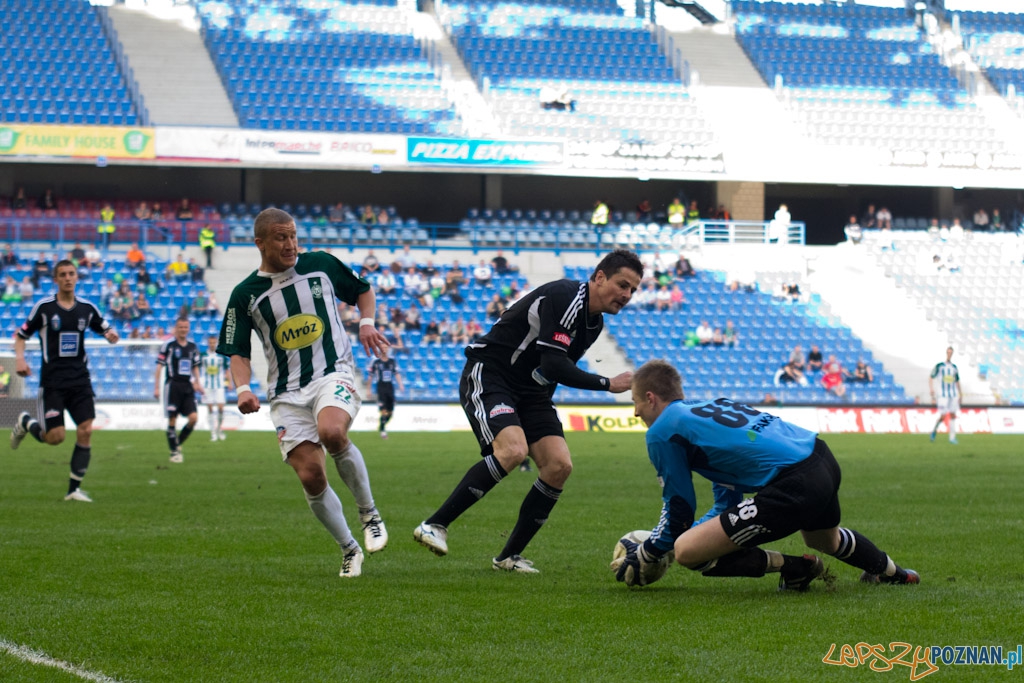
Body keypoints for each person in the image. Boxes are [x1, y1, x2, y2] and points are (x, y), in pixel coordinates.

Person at [413, 250, 643, 573]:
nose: (627, 295)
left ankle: (508, 557)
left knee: (559, 465)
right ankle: (434, 525)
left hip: (531, 391)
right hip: (492, 373)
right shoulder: (566, 296)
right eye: (623, 285)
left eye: (633, 290)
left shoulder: (595, 322)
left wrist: (540, 413)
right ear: (600, 277)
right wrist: (608, 383)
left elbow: (552, 368)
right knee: (513, 450)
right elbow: (553, 363)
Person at [613, 360, 919, 589]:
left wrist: (650, 550)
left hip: (794, 482)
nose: (636, 412)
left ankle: (797, 568)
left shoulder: (663, 430)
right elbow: (725, 503)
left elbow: (679, 509)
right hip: (821, 457)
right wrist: (692, 531)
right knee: (825, 540)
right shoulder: (705, 409)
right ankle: (894, 573)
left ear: (651, 398)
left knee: (686, 550)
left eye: (635, 402)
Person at [217, 207, 391, 578]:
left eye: (293, 235)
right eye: (281, 237)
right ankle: (349, 548)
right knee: (311, 474)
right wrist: (243, 388)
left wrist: (366, 323)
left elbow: (363, 290)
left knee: (332, 432)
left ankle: (369, 513)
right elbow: (237, 350)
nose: (291, 244)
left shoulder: (321, 265)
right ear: (260, 243)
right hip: (285, 393)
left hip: (333, 373)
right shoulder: (244, 295)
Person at [10, 260, 120, 502]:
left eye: (71, 274)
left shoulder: (88, 309)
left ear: (77, 277)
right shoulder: (44, 308)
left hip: (80, 380)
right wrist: (20, 358)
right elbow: (20, 336)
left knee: (86, 430)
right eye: (63, 275)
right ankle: (27, 422)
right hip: (53, 383)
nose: (68, 278)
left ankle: (73, 490)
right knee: (55, 437)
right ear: (56, 279)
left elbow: (106, 329)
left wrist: (112, 335)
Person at [155, 317, 203, 463]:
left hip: (187, 386)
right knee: (172, 420)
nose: (183, 330)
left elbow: (195, 366)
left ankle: (176, 444)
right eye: (180, 327)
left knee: (193, 418)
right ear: (176, 328)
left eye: (185, 327)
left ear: (188, 328)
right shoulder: (168, 345)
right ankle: (175, 452)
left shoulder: (193, 347)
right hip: (172, 385)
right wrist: (156, 387)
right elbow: (159, 366)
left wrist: (197, 382)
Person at [366, 347, 403, 439]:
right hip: (381, 388)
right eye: (383, 347)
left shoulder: (392, 362)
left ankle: (381, 425)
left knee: (390, 412)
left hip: (390, 388)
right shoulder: (376, 362)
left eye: (386, 347)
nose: (384, 349)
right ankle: (383, 430)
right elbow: (370, 377)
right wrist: (368, 389)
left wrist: (400, 384)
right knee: (383, 410)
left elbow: (397, 373)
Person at [200, 335, 232, 442]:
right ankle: (213, 432)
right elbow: (197, 369)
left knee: (221, 408)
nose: (212, 344)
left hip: (219, 386)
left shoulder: (221, 356)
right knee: (209, 408)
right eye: (210, 342)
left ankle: (219, 429)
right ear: (208, 343)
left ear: (216, 343)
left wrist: (230, 382)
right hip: (207, 385)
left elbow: (227, 370)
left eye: (214, 342)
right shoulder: (203, 356)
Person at [929, 346, 961, 445]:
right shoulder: (940, 366)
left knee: (952, 415)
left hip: (953, 394)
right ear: (946, 353)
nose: (949, 354)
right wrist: (931, 390)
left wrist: (960, 393)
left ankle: (952, 438)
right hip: (942, 395)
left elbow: (957, 381)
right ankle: (934, 430)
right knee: (943, 416)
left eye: (951, 352)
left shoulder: (954, 367)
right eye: (948, 352)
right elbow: (931, 377)